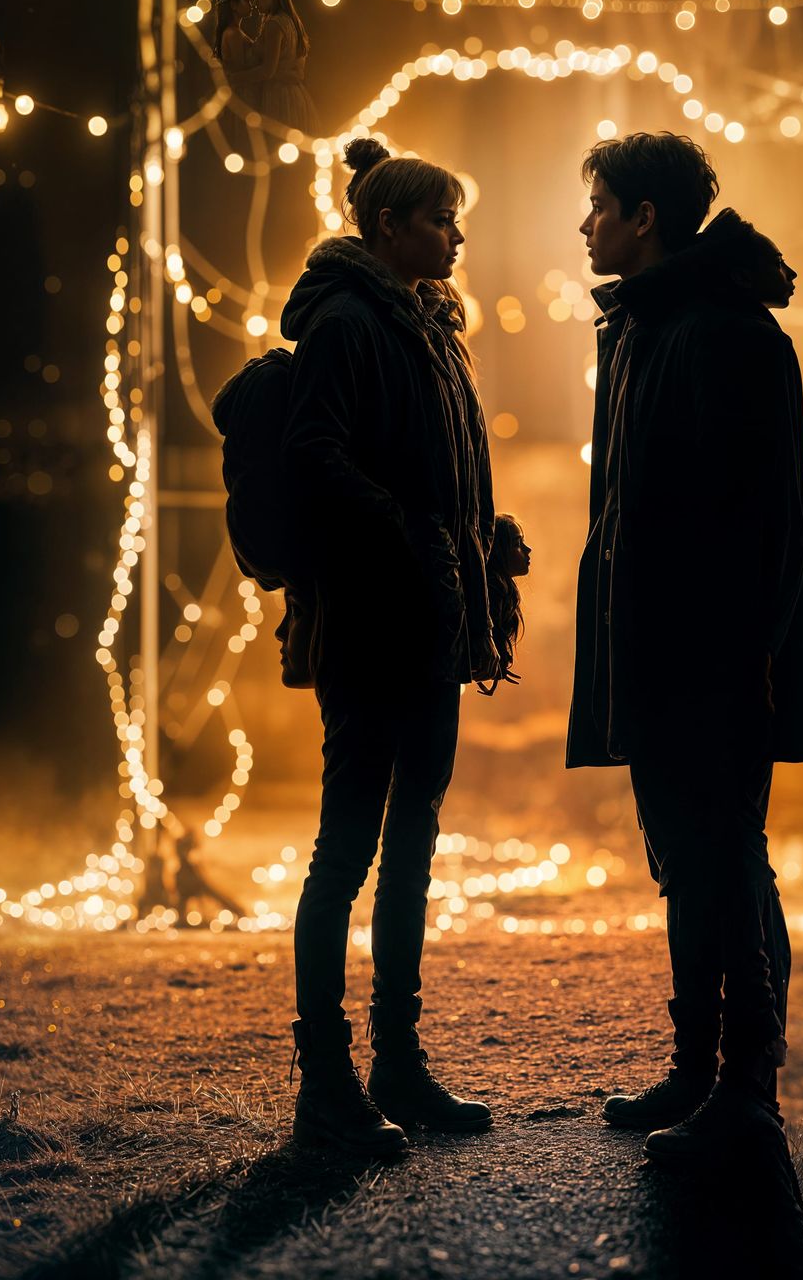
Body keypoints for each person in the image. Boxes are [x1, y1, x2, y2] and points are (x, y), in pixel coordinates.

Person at [567, 135, 803, 1183]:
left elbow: (754, 516)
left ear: (644, 217)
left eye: (597, 206)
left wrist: (746, 653)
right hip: (657, 643)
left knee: (719, 856)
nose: (585, 225)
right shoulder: (642, 329)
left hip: (707, 649)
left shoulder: (723, 332)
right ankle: (694, 1070)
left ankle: (744, 1089)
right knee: (687, 861)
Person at [281, 135, 499, 1156]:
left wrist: (479, 552)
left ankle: (397, 1065)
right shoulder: (343, 323)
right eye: (439, 218)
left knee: (409, 845)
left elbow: (447, 480)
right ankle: (325, 1085)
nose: (455, 234)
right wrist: (413, 537)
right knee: (347, 851)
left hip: (430, 626)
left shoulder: (432, 330)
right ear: (387, 227)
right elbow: (314, 460)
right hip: (372, 627)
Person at [248, 0, 321, 135]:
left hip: (278, 97)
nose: (255, 3)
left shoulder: (275, 25)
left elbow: (268, 70)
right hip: (297, 95)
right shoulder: (293, 22)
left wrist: (233, 78)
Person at [479, 512, 529, 694]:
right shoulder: (494, 589)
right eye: (517, 544)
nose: (527, 549)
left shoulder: (503, 590)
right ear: (499, 551)